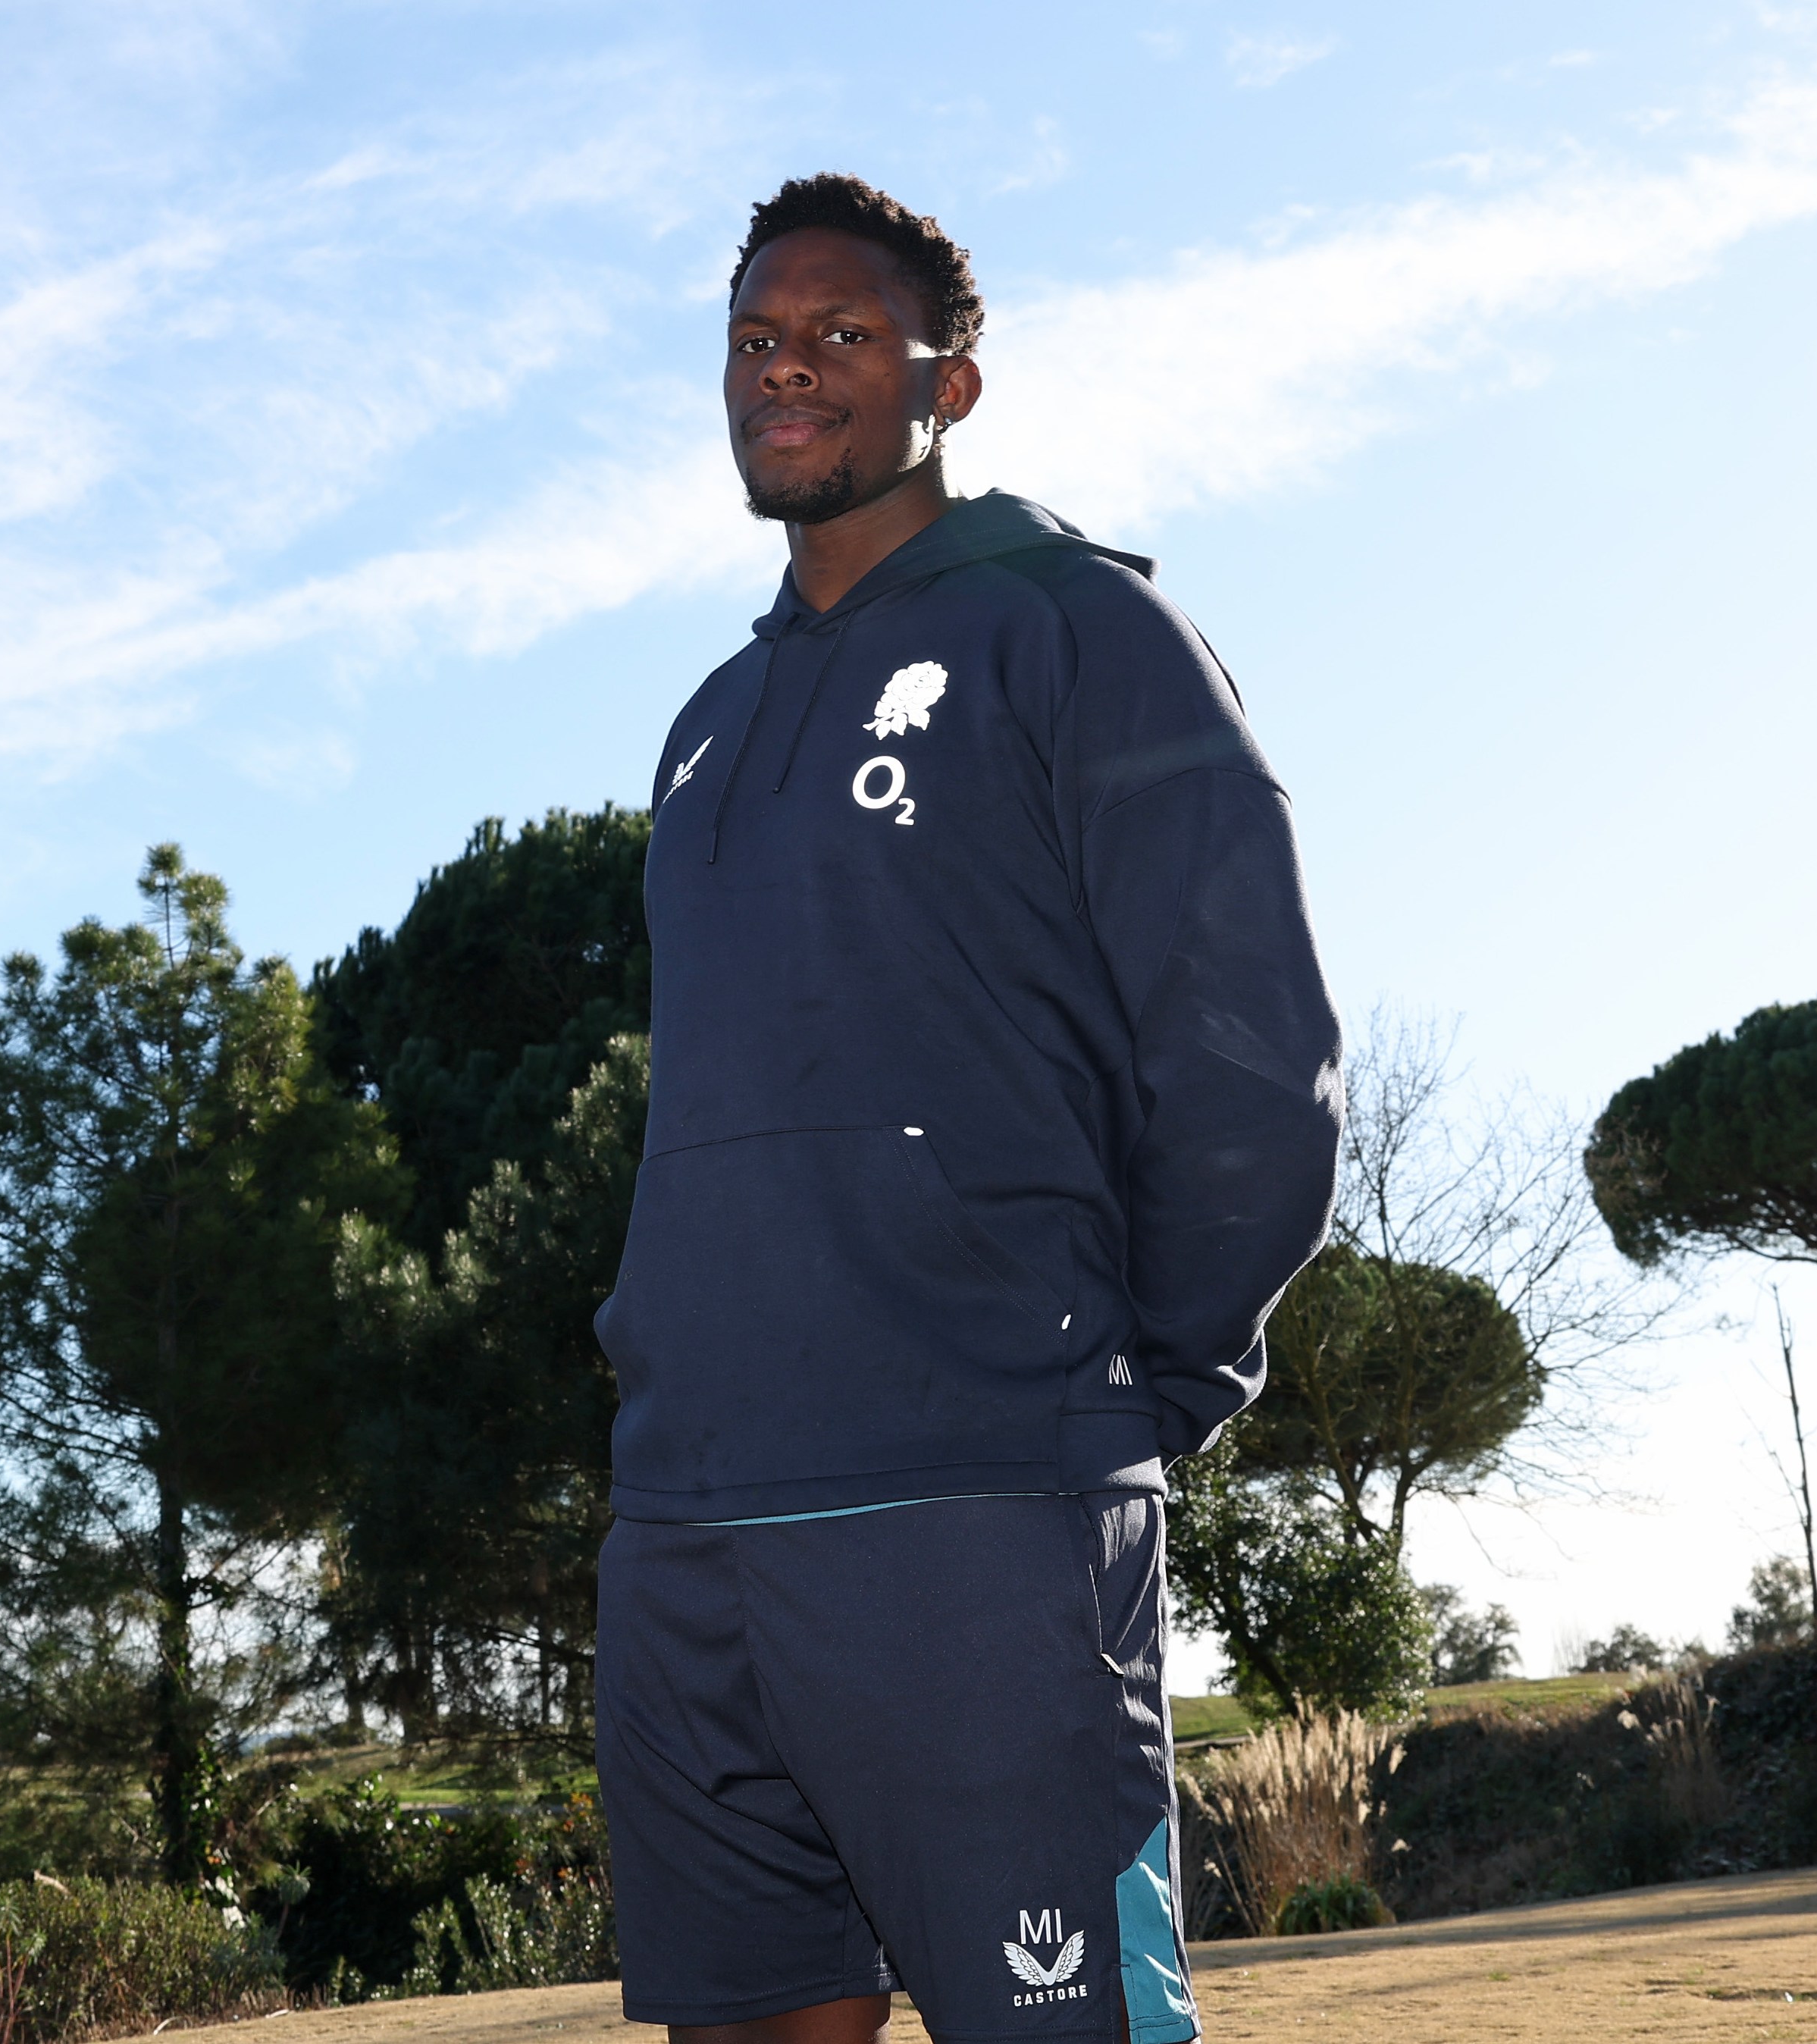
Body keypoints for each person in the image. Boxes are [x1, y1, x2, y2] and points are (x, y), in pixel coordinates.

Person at [593, 172, 1342, 2044]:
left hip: (978, 1499)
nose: (790, 369)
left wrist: (1103, 1392)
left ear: (954, 384)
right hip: (690, 1519)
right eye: (759, 338)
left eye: (843, 336)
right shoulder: (701, 723)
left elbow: (1251, 1052)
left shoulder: (1077, 627)